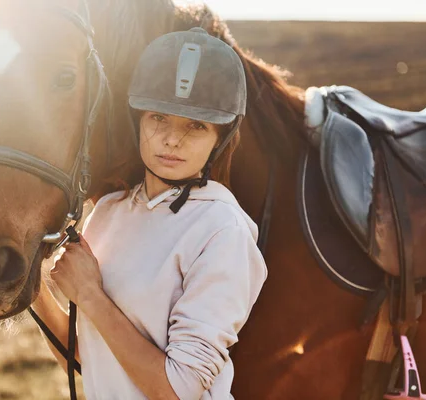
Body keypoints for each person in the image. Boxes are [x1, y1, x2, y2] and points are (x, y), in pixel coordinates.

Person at [32, 27, 267, 400]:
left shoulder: (223, 229)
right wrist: (32, 289)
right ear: (138, 119)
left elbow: (179, 390)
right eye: (159, 117)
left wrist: (90, 294)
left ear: (220, 138)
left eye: (196, 125)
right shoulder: (108, 212)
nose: (173, 139)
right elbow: (88, 360)